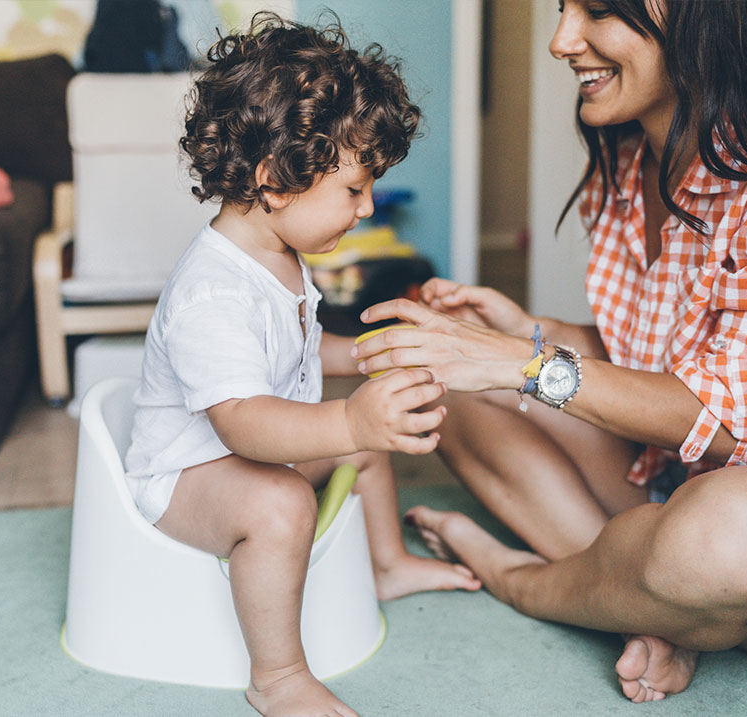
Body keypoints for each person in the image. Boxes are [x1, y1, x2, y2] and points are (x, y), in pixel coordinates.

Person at [352, 0, 747, 704]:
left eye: (598, 12)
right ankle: (654, 603)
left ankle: (528, 579)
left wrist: (522, 363)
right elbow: (665, 353)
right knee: (432, 376)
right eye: (562, 10)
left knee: (737, 527)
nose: (560, 42)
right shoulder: (628, 161)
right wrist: (529, 334)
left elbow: (727, 419)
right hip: (669, 474)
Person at [123, 14, 480, 717]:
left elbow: (295, 348)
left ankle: (386, 564)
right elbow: (245, 424)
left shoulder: (279, 255)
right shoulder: (215, 290)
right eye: (354, 191)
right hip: (184, 474)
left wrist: (365, 357)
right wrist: (349, 417)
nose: (367, 207)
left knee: (364, 451)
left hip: (242, 451)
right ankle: (279, 675)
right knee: (283, 501)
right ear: (275, 181)